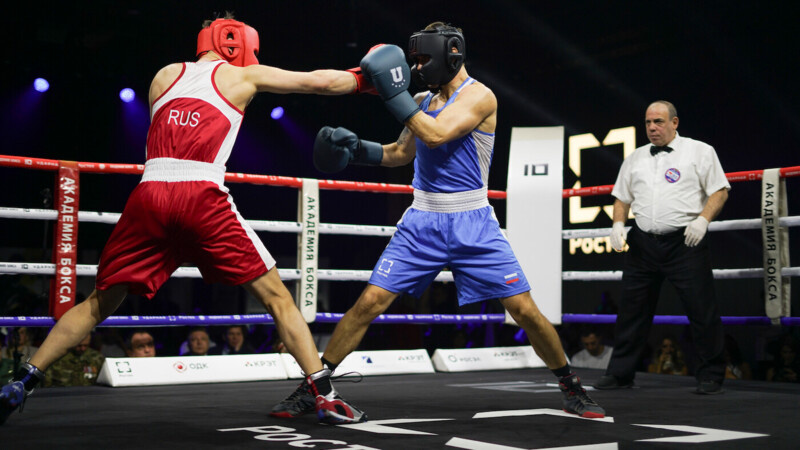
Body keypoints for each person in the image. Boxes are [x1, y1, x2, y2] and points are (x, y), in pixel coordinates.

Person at [0, 13, 375, 426]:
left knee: (99, 302)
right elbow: (321, 82)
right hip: (199, 193)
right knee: (277, 298)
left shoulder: (163, 76)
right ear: (238, 44)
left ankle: (24, 379)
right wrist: (367, 77)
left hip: (149, 193)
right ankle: (325, 396)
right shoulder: (242, 76)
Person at [272, 22, 605, 420]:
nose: (417, 68)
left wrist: (392, 94)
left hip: (473, 221)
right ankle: (314, 386)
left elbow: (435, 135)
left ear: (451, 54)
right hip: (422, 221)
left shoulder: (480, 96)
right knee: (369, 303)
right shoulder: (422, 100)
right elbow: (401, 152)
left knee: (525, 309)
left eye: (423, 59)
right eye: (414, 61)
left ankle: (571, 385)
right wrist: (358, 150)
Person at [595, 100, 730, 395]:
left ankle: (711, 375)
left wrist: (703, 220)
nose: (652, 128)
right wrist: (617, 224)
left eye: (658, 121)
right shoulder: (635, 157)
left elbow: (720, 191)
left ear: (674, 122)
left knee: (701, 309)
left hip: (685, 242)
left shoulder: (700, 151)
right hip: (643, 243)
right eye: (648, 122)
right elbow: (621, 197)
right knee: (631, 310)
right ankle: (620, 374)